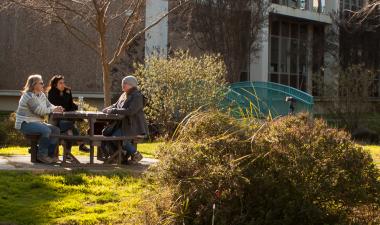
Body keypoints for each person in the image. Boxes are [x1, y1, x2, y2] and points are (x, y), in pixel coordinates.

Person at [15, 74, 63, 164]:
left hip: (37, 123)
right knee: (47, 130)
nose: (43, 85)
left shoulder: (41, 95)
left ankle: (50, 155)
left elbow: (49, 106)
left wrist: (57, 107)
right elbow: (39, 111)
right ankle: (42, 155)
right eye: (41, 83)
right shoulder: (28, 96)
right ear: (34, 85)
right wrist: (53, 109)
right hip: (25, 124)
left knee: (56, 130)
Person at [102, 75, 148, 163]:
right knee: (107, 135)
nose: (122, 85)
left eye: (125, 83)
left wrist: (113, 111)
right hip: (124, 125)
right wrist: (107, 109)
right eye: (123, 83)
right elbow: (115, 105)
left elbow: (130, 111)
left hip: (134, 126)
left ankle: (135, 154)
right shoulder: (124, 95)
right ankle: (120, 157)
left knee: (116, 137)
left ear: (131, 85)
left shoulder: (137, 96)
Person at [47, 75, 90, 153]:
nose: (63, 85)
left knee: (69, 131)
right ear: (55, 85)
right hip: (56, 119)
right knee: (69, 127)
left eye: (64, 82)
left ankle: (68, 153)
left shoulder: (67, 91)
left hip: (66, 118)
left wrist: (79, 108)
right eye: (60, 83)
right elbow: (58, 105)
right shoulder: (51, 92)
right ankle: (80, 144)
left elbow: (70, 104)